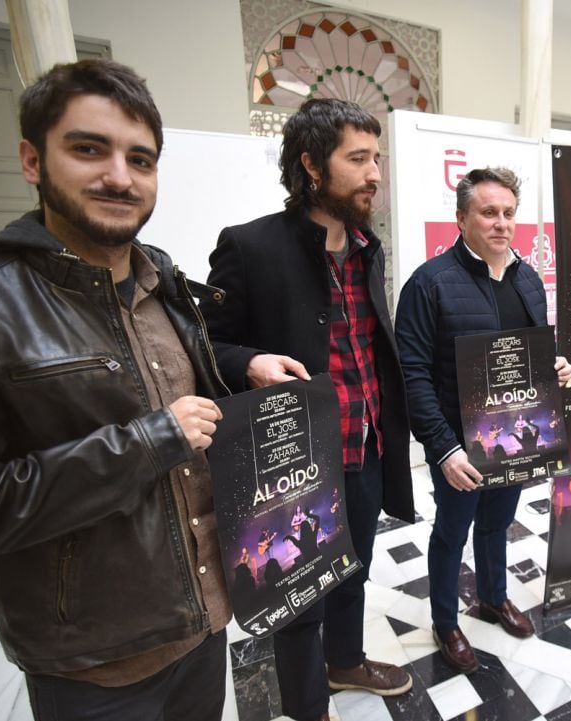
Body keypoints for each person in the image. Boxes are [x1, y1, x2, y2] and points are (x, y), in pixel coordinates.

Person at [0, 59, 229, 720]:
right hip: (94, 664)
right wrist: (151, 440)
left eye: (141, 159)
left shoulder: (162, 283)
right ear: (32, 160)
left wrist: (241, 369)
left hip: (202, 623)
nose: (119, 175)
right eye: (89, 149)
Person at [200, 98, 414, 721]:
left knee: (354, 569)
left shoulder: (368, 247)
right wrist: (249, 363)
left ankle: (346, 661)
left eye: (377, 158)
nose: (375, 172)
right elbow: (202, 343)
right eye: (359, 159)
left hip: (366, 445)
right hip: (296, 462)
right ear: (312, 165)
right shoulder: (249, 246)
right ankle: (307, 706)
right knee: (299, 592)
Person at [395, 167, 571, 674]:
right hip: (460, 447)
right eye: (488, 212)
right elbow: (413, 375)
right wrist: (443, 449)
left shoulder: (529, 280)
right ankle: (446, 622)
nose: (501, 223)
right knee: (452, 532)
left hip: (516, 438)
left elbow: (536, 350)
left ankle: (494, 597)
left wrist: (553, 365)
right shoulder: (429, 284)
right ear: (461, 218)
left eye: (508, 213)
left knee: (498, 524)